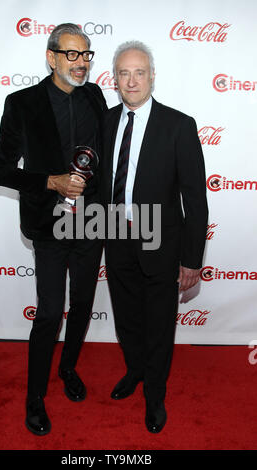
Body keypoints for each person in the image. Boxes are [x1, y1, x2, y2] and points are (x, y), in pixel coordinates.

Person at [0, 23, 107, 436]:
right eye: (72, 54)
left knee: (83, 305)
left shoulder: (95, 95)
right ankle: (35, 396)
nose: (81, 63)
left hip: (93, 220)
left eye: (86, 54)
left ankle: (69, 368)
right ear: (51, 56)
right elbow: (1, 171)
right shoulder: (22, 103)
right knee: (50, 312)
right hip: (50, 224)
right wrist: (50, 181)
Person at [100, 41, 208, 433]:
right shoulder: (106, 121)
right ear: (115, 79)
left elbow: (195, 199)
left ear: (152, 76)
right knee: (127, 318)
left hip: (162, 243)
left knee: (160, 323)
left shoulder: (179, 125)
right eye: (124, 73)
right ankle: (135, 372)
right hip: (115, 237)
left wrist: (192, 259)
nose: (132, 80)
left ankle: (155, 394)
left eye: (139, 72)